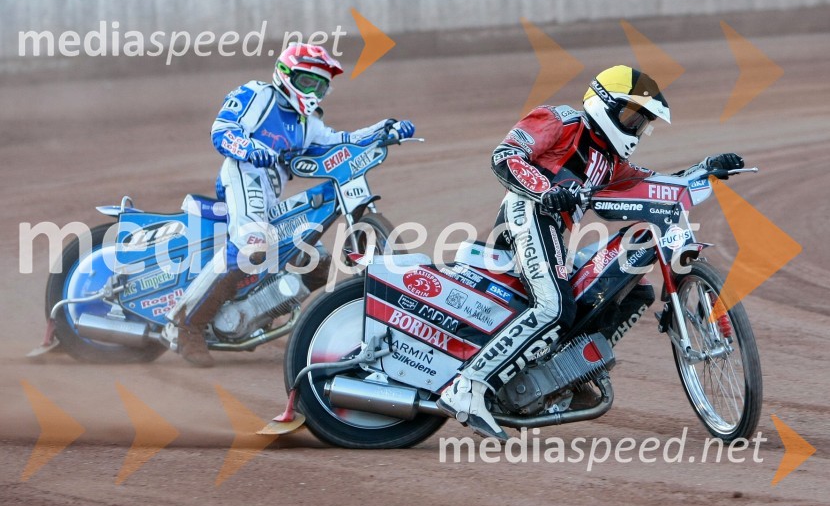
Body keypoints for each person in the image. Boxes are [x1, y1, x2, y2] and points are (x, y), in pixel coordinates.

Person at [436, 65, 744, 440]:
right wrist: (546, 190)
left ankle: (570, 374)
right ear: (605, 105)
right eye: (632, 116)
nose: (636, 128)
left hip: (552, 228)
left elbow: (651, 184)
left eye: (642, 121)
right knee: (554, 307)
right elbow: (505, 155)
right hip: (528, 211)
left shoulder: (612, 162)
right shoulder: (561, 121)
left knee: (636, 291)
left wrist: (705, 169)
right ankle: (468, 388)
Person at [164, 42, 415, 367]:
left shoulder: (306, 122)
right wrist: (247, 147)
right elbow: (222, 129)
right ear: (285, 75)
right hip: (244, 173)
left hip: (269, 189)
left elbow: (341, 141)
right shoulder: (260, 95)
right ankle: (187, 324)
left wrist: (385, 129)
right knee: (252, 245)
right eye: (308, 82)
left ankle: (253, 313)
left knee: (315, 264)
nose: (314, 91)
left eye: (320, 85)